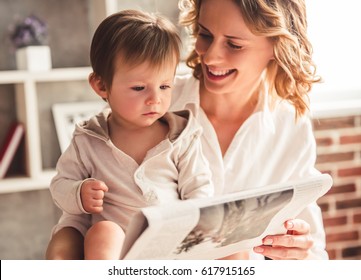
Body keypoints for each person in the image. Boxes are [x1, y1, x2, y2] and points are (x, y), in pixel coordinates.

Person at [46, 0, 328, 260]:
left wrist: (297, 252)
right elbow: (83, 215)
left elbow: (312, 248)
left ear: (277, 46)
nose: (211, 57)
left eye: (234, 44)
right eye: (205, 35)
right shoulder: (150, 98)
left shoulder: (289, 124)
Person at [48, 9, 214, 260]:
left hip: (169, 242)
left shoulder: (181, 136)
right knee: (103, 231)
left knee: (233, 249)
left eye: (165, 86)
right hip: (116, 248)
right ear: (102, 85)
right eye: (139, 88)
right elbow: (60, 185)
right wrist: (79, 193)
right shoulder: (88, 138)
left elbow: (200, 190)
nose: (155, 99)